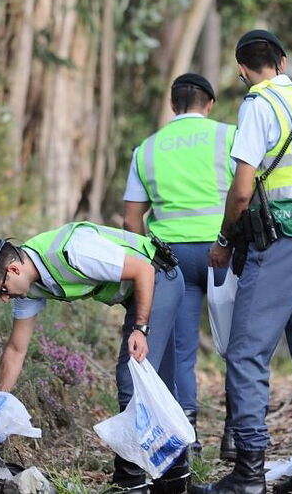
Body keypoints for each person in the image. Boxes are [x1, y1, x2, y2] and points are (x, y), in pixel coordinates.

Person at [195, 30, 292, 494]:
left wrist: (224, 239)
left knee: (246, 354)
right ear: (283, 60)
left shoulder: (259, 105)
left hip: (277, 244)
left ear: (242, 70)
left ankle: (249, 472)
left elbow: (241, 191)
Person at [0, 222, 189, 494]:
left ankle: (130, 482)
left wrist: (141, 329)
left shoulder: (74, 251)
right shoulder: (27, 286)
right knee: (159, 384)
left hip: (158, 278)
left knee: (131, 379)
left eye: (2, 290)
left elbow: (143, 270)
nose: (4, 299)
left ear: (14, 269)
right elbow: (15, 349)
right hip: (139, 290)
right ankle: (175, 478)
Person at [122, 73, 237, 461]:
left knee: (181, 351)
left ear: (173, 105)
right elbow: (245, 192)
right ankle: (236, 433)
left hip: (172, 260)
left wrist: (146, 261)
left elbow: (131, 219)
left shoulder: (147, 149)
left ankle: (186, 434)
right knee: (239, 344)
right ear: (210, 104)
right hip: (223, 251)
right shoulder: (228, 136)